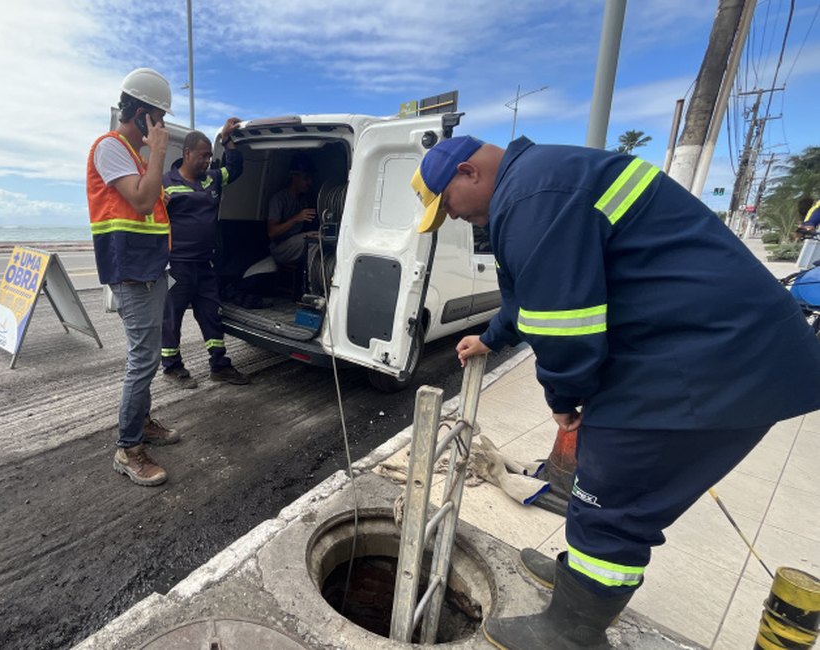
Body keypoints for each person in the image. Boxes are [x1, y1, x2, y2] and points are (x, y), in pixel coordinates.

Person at [412, 136, 820, 649]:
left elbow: (562, 324)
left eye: (446, 204)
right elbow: (531, 294)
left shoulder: (534, 196)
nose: (452, 217)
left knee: (611, 495)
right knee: (602, 485)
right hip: (706, 351)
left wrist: (564, 398)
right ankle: (579, 583)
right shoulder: (539, 181)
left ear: (468, 172)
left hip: (707, 363)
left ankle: (572, 631)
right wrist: (490, 338)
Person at [86, 67, 179, 487]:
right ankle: (128, 448)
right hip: (132, 274)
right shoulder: (110, 148)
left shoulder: (132, 154)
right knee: (142, 361)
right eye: (159, 119)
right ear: (143, 114)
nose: (161, 128)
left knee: (149, 354)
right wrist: (158, 152)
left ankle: (141, 423)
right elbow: (142, 202)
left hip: (151, 270)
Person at [160, 120, 251, 388]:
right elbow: (151, 221)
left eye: (210, 156)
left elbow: (235, 169)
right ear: (187, 153)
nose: (207, 161)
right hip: (177, 265)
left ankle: (219, 365)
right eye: (203, 156)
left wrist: (227, 140)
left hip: (206, 264)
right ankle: (172, 367)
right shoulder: (167, 184)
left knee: (212, 315)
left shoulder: (212, 177)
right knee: (171, 316)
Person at [266, 155, 319, 266]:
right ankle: (313, 281)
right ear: (294, 177)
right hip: (280, 249)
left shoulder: (303, 200)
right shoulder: (279, 199)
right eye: (306, 178)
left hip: (295, 244)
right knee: (313, 241)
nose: (309, 182)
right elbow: (272, 232)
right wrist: (296, 218)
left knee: (320, 236)